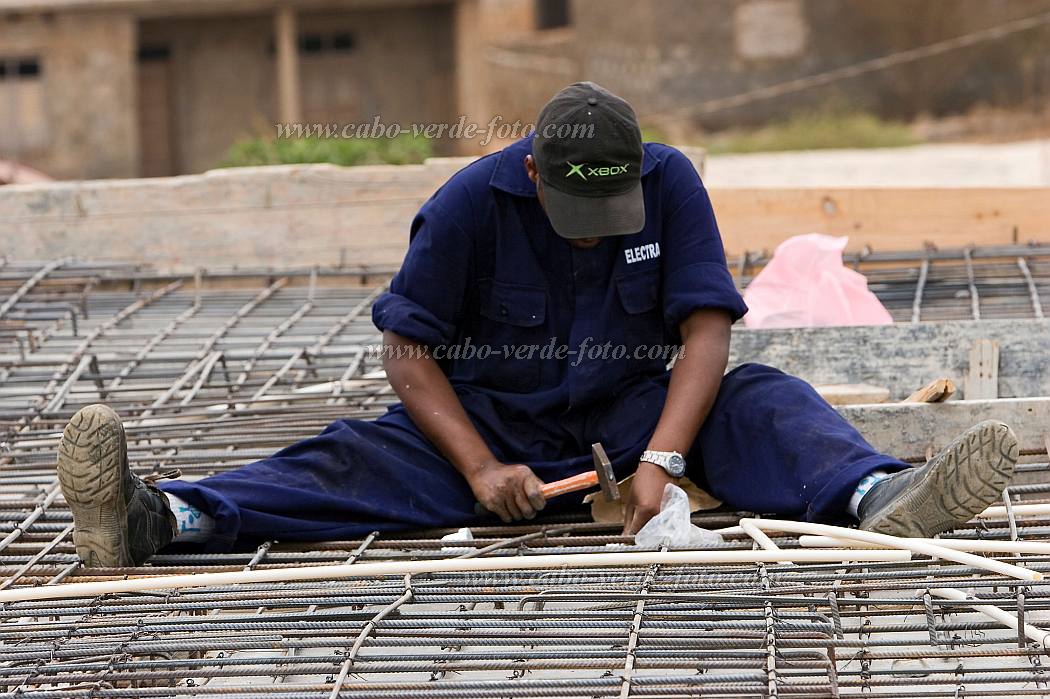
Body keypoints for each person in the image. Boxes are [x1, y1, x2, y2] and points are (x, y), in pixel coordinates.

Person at [56, 83, 1018, 567]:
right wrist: (478, 468)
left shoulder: (669, 178)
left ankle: (874, 500)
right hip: (501, 428)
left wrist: (667, 460)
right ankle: (162, 517)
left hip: (640, 412)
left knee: (766, 400)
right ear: (531, 175)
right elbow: (407, 349)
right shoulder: (469, 203)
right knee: (349, 463)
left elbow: (707, 331)